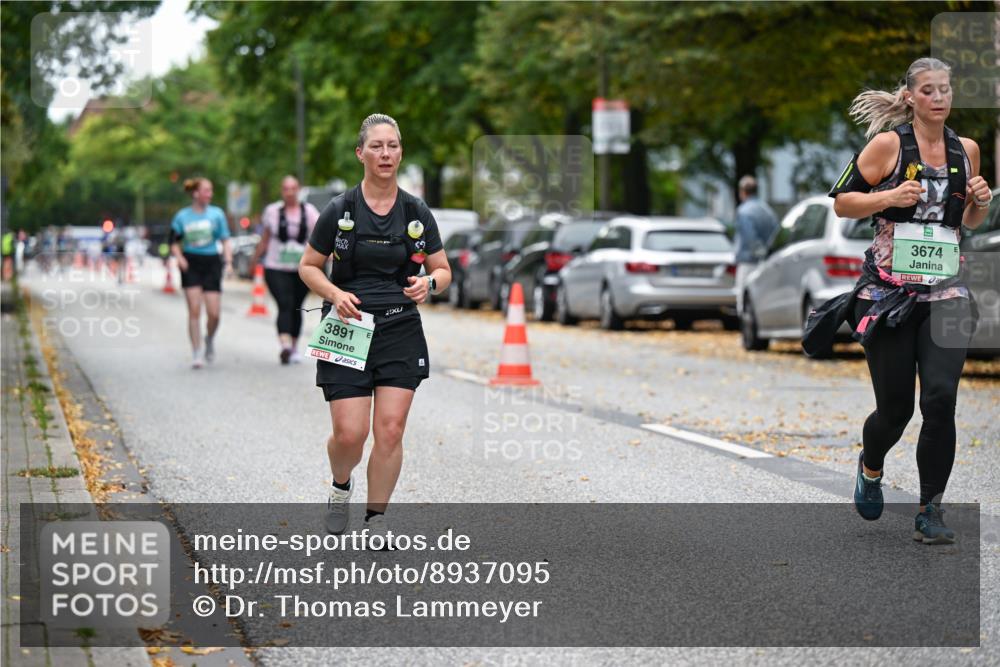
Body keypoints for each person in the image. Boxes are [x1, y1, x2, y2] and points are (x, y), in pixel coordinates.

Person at [828, 57, 992, 544]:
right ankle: (871, 464)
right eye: (928, 90)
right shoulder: (887, 147)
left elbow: (969, 224)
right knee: (896, 410)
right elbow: (841, 201)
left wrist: (981, 201)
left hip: (947, 292)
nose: (939, 98)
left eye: (945, 90)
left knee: (940, 400)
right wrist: (888, 198)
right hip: (889, 294)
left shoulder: (967, 150)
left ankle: (930, 510)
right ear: (910, 97)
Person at [299, 113, 451, 536]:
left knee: (390, 429)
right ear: (361, 153)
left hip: (400, 326)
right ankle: (340, 485)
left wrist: (429, 284)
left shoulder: (415, 211)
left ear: (401, 153)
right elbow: (308, 266)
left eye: (393, 146)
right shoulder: (340, 209)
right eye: (378, 146)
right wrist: (334, 294)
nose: (386, 154)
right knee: (350, 435)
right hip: (348, 324)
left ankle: (376, 519)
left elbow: (443, 269)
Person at [251, 176, 321, 364]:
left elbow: (320, 239)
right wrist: (255, 258)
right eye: (285, 188)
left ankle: (294, 346)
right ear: (281, 191)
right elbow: (265, 238)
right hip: (275, 267)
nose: (289, 192)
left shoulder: (310, 212)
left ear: (298, 190)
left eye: (293, 188)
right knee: (285, 303)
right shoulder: (272, 212)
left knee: (297, 305)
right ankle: (285, 345)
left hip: (302, 269)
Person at [170, 177, 233, 369]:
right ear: (196, 193)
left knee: (214, 314)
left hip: (212, 262)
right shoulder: (182, 217)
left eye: (211, 190)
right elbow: (173, 242)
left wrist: (228, 262)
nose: (210, 194)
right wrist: (179, 258)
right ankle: (196, 352)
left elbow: (225, 240)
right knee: (194, 310)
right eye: (207, 190)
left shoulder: (216, 214)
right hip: (191, 263)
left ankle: (209, 338)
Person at [733, 175, 778, 316]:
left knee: (744, 302)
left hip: (748, 262)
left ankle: (748, 334)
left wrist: (758, 253)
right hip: (766, 263)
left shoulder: (744, 211)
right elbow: (775, 234)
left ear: (742, 191)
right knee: (762, 300)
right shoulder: (767, 210)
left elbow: (749, 238)